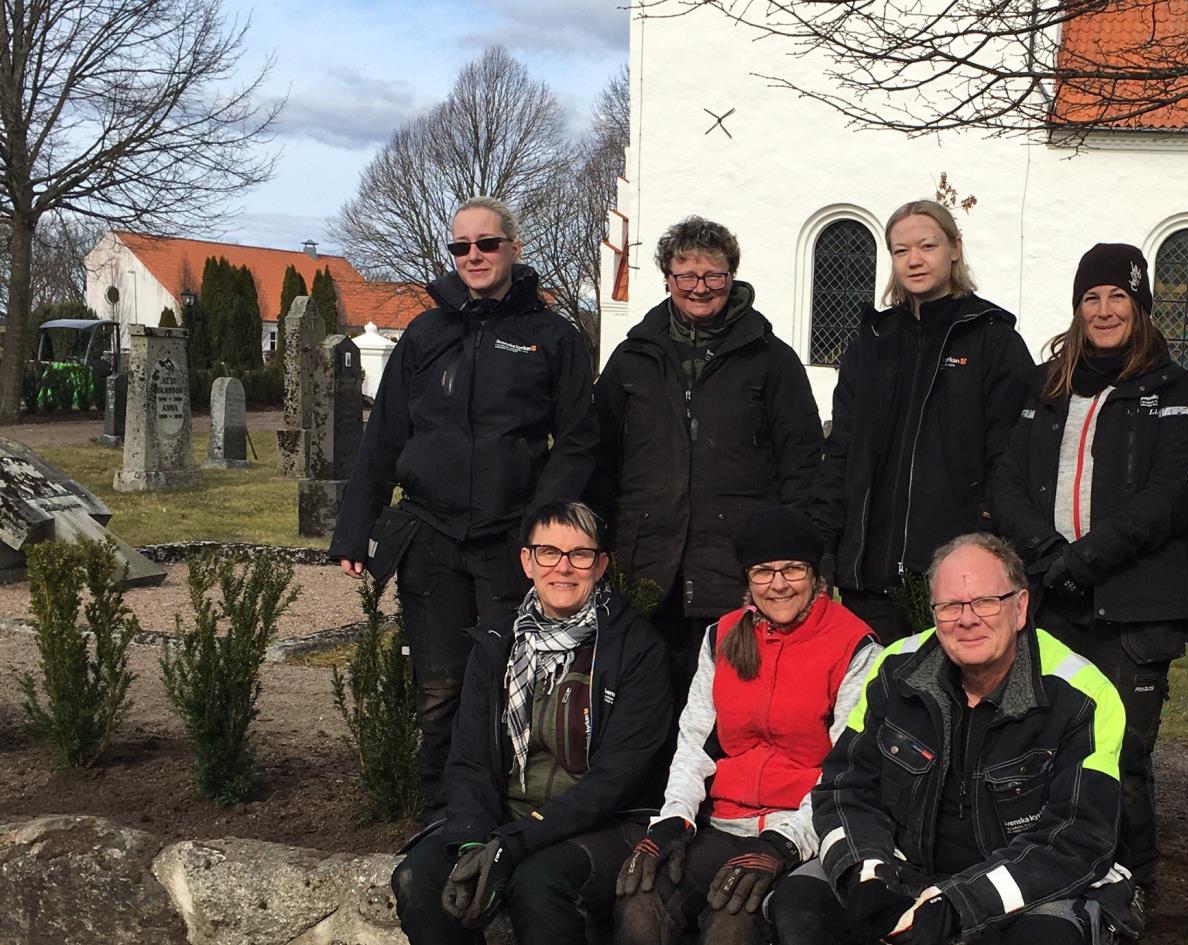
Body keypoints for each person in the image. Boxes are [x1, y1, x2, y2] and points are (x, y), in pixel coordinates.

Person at [330, 196, 598, 819]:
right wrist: (353, 530)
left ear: (514, 249)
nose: (473, 256)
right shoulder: (426, 333)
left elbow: (578, 440)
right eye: (461, 247)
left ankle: (507, 814)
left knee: (512, 680)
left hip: (512, 540)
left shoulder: (552, 337)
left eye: (486, 244)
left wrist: (542, 528)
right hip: (431, 534)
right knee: (439, 686)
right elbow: (386, 434)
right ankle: (443, 816)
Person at [772, 533, 1131, 945]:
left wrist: (958, 904)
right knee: (802, 898)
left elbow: (1079, 838)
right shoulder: (895, 668)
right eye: (950, 606)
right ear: (933, 611)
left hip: (1021, 887)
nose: (967, 619)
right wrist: (866, 872)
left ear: (1020, 608)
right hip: (904, 868)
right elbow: (843, 789)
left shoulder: (1082, 693)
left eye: (985, 601)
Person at [993, 242, 1188, 915]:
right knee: (1040, 742)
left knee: (1119, 751)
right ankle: (1049, 871)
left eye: (1118, 295)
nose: (1104, 308)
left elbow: (1172, 493)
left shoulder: (1172, 389)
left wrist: (1084, 557)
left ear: (1140, 306)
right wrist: (1044, 549)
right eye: (1092, 297)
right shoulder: (1048, 382)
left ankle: (1128, 882)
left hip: (1133, 607)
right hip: (1052, 598)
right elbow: (1006, 479)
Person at [390, 501, 672, 944]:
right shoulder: (497, 645)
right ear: (527, 561)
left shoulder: (636, 650)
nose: (563, 568)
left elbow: (617, 779)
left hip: (602, 825)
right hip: (504, 819)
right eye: (548, 553)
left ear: (600, 566)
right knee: (418, 879)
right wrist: (471, 840)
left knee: (538, 885)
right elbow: (469, 760)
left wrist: (517, 842)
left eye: (580, 555)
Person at [613, 506, 879, 945]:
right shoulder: (723, 635)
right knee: (641, 903)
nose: (778, 584)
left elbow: (846, 771)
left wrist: (782, 844)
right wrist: (674, 819)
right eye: (763, 571)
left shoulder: (853, 645)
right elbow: (695, 740)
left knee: (731, 925)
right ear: (747, 578)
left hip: (800, 828)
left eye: (792, 568)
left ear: (815, 574)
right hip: (724, 821)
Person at [590, 215, 823, 692]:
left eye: (712, 275)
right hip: (646, 567)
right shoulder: (634, 357)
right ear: (668, 278)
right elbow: (599, 456)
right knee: (645, 703)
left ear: (731, 276)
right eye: (686, 275)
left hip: (734, 570)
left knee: (732, 702)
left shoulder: (771, 359)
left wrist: (800, 557)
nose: (699, 287)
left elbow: (802, 461)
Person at [811, 200, 1033, 641]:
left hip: (955, 578)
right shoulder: (871, 343)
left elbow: (1009, 458)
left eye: (927, 245)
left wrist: (987, 546)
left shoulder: (992, 339)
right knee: (873, 703)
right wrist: (824, 549)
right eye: (900, 250)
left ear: (954, 248)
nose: (914, 260)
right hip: (868, 573)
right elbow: (841, 453)